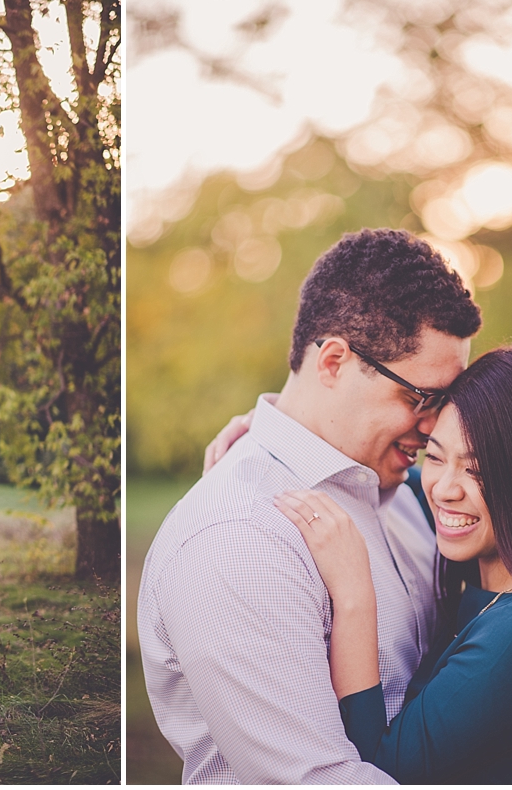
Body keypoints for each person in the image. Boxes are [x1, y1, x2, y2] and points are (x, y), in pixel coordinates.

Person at [136, 228, 482, 783]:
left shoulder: (405, 491)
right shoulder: (238, 539)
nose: (434, 424)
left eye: (447, 401)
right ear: (334, 363)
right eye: (420, 397)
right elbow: (318, 779)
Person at [275, 346, 512, 783]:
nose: (444, 490)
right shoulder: (492, 558)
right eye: (435, 455)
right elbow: (377, 462)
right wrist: (270, 433)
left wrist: (353, 596)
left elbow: (376, 774)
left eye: (478, 469)